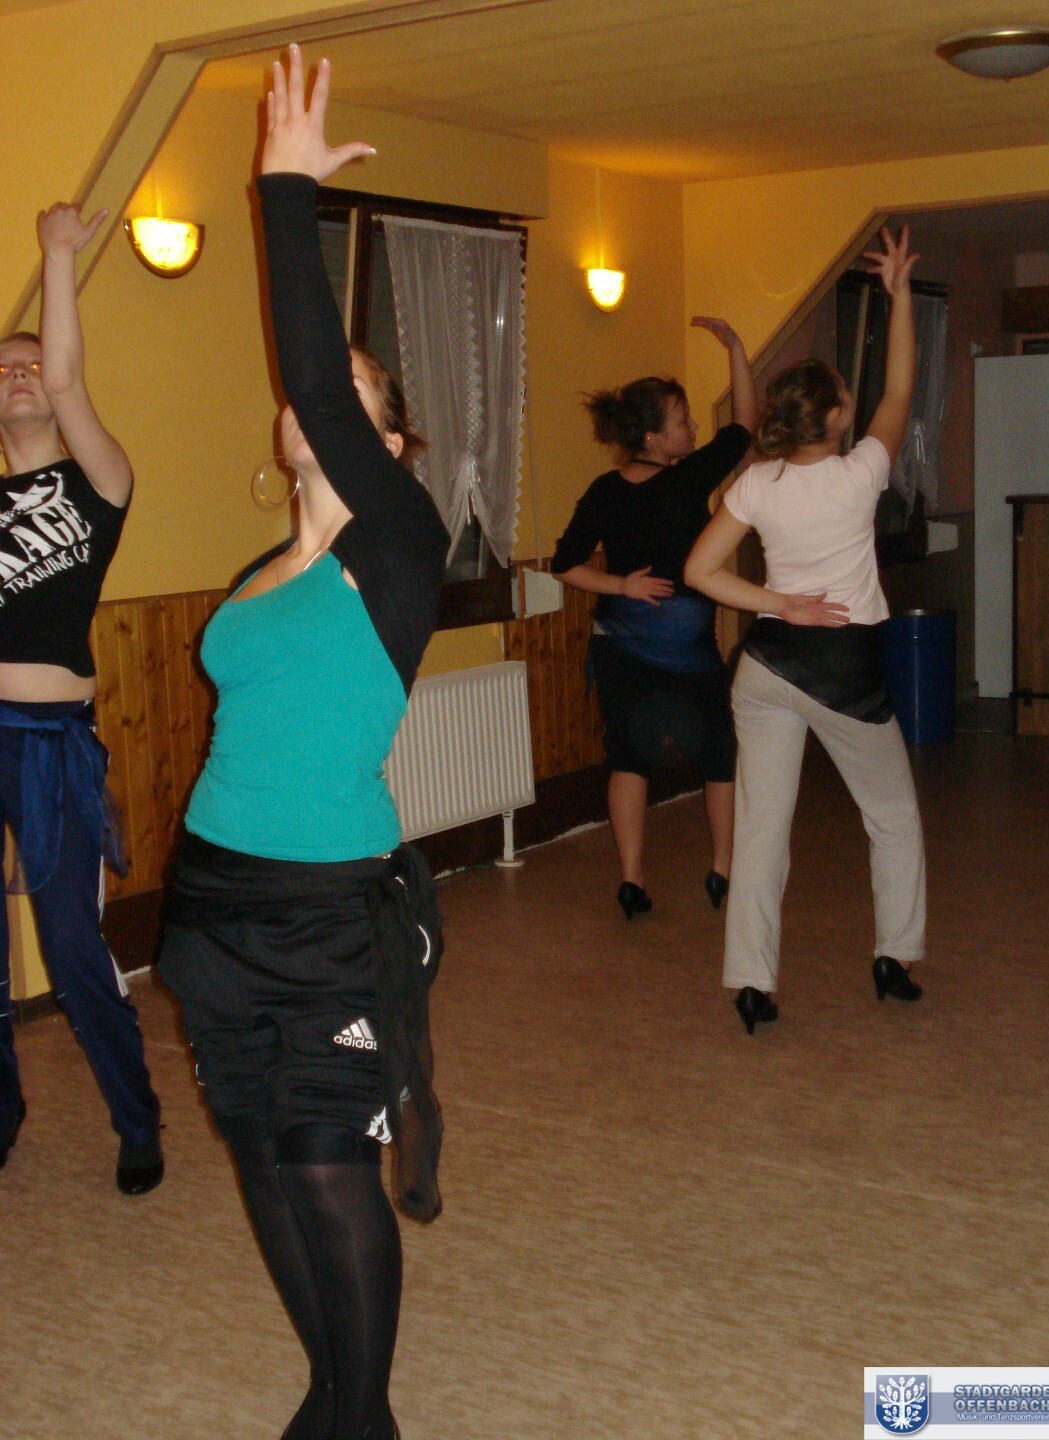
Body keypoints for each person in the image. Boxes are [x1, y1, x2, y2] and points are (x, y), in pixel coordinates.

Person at [157, 47, 449, 1440]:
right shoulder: (259, 572)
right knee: (266, 1159)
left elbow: (320, 384)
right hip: (212, 907)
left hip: (331, 917)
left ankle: (362, 1413)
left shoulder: (395, 551)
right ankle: (328, 1396)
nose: (319, 399)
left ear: (384, 438)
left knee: (331, 1162)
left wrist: (286, 196)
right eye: (320, 388)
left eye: (350, 389)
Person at [685, 226, 926, 1035]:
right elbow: (901, 387)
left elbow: (700, 571)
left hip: (765, 668)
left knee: (761, 831)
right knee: (891, 819)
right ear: (835, 419)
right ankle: (893, 958)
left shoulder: (758, 483)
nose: (856, 404)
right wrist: (897, 296)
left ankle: (752, 986)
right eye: (846, 399)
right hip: (843, 673)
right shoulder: (861, 474)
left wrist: (776, 604)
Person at [0, 205, 163, 1194]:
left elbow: (66, 378)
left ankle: (137, 1118)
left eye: (29, 364)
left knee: (69, 946)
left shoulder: (96, 484)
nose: (21, 376)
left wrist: (59, 255)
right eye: (3, 371)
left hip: (51, 739)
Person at [552, 320, 756, 920]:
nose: (693, 429)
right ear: (653, 436)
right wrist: (735, 349)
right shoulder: (678, 481)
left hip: (651, 648)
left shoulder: (618, 487)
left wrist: (621, 586)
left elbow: (565, 564)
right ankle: (709, 872)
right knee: (706, 755)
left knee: (640, 757)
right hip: (650, 649)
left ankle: (645, 877)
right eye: (683, 421)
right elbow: (745, 423)